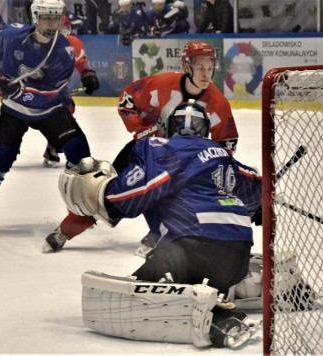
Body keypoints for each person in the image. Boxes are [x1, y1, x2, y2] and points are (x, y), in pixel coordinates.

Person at [58, 101, 262, 348]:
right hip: (238, 254)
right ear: (207, 130)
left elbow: (137, 193)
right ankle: (228, 289)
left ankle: (219, 319)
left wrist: (106, 193)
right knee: (193, 268)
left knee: (136, 297)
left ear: (169, 128)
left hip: (190, 251)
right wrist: (262, 206)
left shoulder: (162, 147)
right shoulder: (223, 156)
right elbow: (256, 187)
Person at [44, 40, 239, 255]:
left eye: (210, 68)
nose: (206, 74)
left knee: (170, 196)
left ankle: (160, 233)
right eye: (200, 67)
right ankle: (66, 230)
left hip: (181, 163)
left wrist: (206, 164)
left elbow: (227, 143)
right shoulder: (161, 83)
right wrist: (139, 128)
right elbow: (127, 100)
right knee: (108, 192)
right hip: (142, 150)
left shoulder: (218, 103)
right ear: (187, 66)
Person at [0, 0, 92, 232]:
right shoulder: (11, 35)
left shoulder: (64, 50)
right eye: (46, 17)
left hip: (50, 110)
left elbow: (51, 92)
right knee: (0, 158)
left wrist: (22, 90)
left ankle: (76, 212)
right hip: (15, 111)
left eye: (55, 17)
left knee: (79, 152)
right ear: (35, 18)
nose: (52, 23)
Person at [42, 12, 99, 167]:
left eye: (65, 27)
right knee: (20, 119)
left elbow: (82, 66)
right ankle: (3, 148)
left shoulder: (73, 43)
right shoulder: (39, 42)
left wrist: (87, 75)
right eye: (59, 27)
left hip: (57, 91)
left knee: (67, 109)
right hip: (33, 90)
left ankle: (52, 146)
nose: (63, 31)